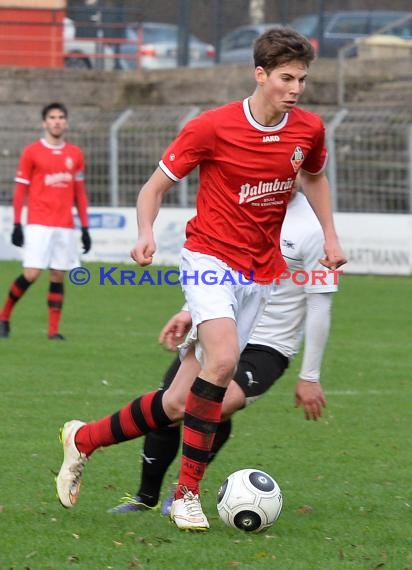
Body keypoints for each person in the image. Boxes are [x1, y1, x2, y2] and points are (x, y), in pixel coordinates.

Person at [56, 27, 346, 531]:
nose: (295, 88)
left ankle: (83, 439)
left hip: (259, 274)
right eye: (285, 77)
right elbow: (154, 186)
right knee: (225, 359)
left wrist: (331, 235)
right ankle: (185, 495)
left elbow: (316, 177)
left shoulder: (309, 130)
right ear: (260, 74)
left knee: (176, 401)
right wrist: (145, 232)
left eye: (301, 78)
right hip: (209, 257)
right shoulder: (211, 127)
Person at [108, 187, 340, 515]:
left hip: (269, 345)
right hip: (222, 322)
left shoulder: (313, 228)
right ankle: (144, 497)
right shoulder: (247, 209)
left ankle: (183, 492)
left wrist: (310, 376)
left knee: (217, 402)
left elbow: (320, 306)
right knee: (170, 403)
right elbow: (219, 269)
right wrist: (189, 309)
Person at [0, 102, 91, 340]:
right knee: (31, 273)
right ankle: (4, 316)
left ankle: (53, 332)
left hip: (64, 225)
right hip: (39, 223)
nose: (57, 121)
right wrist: (17, 223)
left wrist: (85, 227)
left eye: (61, 117)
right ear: (44, 122)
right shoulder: (32, 152)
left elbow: (79, 193)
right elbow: (21, 190)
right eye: (52, 117)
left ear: (66, 122)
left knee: (58, 275)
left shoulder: (75, 154)